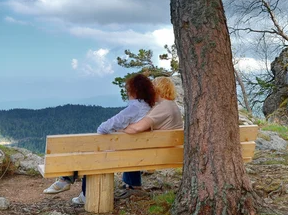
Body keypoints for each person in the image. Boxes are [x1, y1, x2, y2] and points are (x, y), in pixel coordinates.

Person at [43, 73, 156, 204]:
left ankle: (73, 185)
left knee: (91, 152)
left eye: (128, 89)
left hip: (125, 153)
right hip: (141, 153)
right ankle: (133, 184)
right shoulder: (150, 106)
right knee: (117, 147)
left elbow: (103, 128)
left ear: (134, 90)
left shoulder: (134, 107)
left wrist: (121, 129)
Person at [117, 76, 183, 198]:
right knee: (133, 145)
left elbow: (138, 128)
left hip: (162, 154)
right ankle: (132, 184)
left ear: (157, 89)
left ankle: (133, 185)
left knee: (129, 144)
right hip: (170, 149)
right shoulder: (171, 105)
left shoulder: (163, 107)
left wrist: (120, 127)